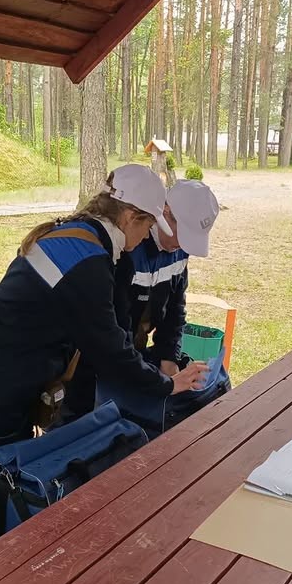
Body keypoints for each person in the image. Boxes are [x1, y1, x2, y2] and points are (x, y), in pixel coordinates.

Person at [0, 164, 207, 465]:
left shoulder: (82, 235)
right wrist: (167, 384)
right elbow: (110, 350)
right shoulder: (88, 262)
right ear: (129, 218)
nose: (145, 237)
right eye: (147, 224)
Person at [63, 178, 223, 421]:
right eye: (183, 234)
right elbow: (112, 330)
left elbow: (175, 310)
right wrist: (157, 381)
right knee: (81, 425)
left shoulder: (179, 250)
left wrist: (168, 357)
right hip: (94, 358)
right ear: (165, 214)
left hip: (128, 354)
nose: (182, 245)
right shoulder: (127, 245)